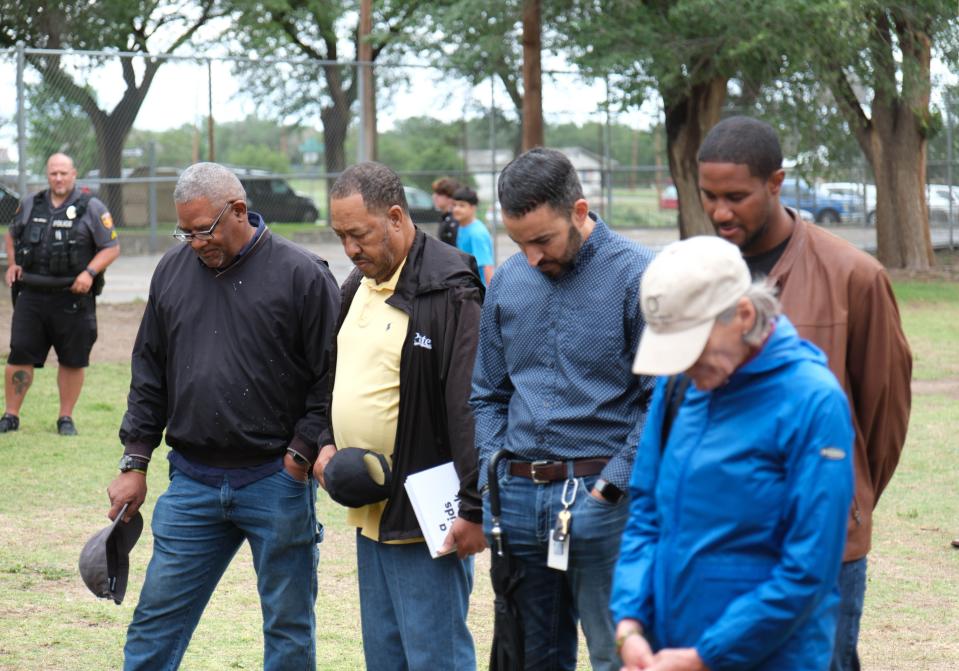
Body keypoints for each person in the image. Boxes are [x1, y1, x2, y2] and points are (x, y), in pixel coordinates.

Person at [696, 116, 913, 671]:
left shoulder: (853, 276)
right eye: (709, 196)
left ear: (777, 183)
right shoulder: (695, 277)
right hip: (718, 541)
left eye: (736, 196)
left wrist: (843, 497)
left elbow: (883, 415)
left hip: (819, 546)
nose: (720, 212)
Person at [106, 162, 339, 671]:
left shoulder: (303, 275)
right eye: (183, 231)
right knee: (155, 621)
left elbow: (330, 378)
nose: (193, 243)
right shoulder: (171, 269)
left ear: (238, 211)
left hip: (274, 480)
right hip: (193, 482)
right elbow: (150, 369)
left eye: (203, 230)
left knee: (288, 627)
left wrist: (300, 455)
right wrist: (135, 461)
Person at [612, 235, 855, 671]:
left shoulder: (813, 401)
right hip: (673, 651)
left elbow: (808, 567)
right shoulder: (681, 386)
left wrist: (709, 655)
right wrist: (629, 620)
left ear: (744, 315)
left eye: (694, 348)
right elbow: (647, 510)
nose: (684, 365)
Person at [471, 147, 655, 671]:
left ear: (579, 210)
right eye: (518, 242)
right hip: (520, 500)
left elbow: (661, 400)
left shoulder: (640, 277)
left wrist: (613, 485)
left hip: (606, 501)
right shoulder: (508, 281)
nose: (531, 256)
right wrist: (493, 480)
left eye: (542, 240)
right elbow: (487, 393)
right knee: (532, 658)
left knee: (617, 655)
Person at [314, 161, 486, 671]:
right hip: (370, 512)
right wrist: (326, 438)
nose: (349, 249)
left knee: (435, 658)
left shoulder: (450, 288)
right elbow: (334, 372)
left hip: (426, 517)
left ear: (394, 217)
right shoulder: (359, 283)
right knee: (384, 659)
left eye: (358, 234)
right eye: (340, 236)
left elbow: (469, 403)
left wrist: (475, 505)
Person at [1, 152, 120, 436]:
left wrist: (88, 273)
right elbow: (11, 234)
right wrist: (14, 263)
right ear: (47, 175)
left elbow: (111, 247)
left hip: (73, 297)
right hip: (31, 295)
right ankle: (10, 415)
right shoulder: (31, 203)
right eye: (53, 173)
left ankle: (65, 418)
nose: (58, 178)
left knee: (72, 358)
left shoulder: (91, 206)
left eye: (63, 173)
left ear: (74, 174)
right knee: (19, 354)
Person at [452, 185, 495, 286]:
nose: (456, 209)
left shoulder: (477, 233)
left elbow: (486, 266)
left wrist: (490, 298)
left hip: (479, 290)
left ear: (473, 208)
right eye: (454, 205)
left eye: (462, 205)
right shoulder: (462, 226)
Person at [432, 176, 460, 246]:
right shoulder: (445, 218)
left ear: (451, 197)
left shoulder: (454, 222)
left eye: (439, 194)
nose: (434, 196)